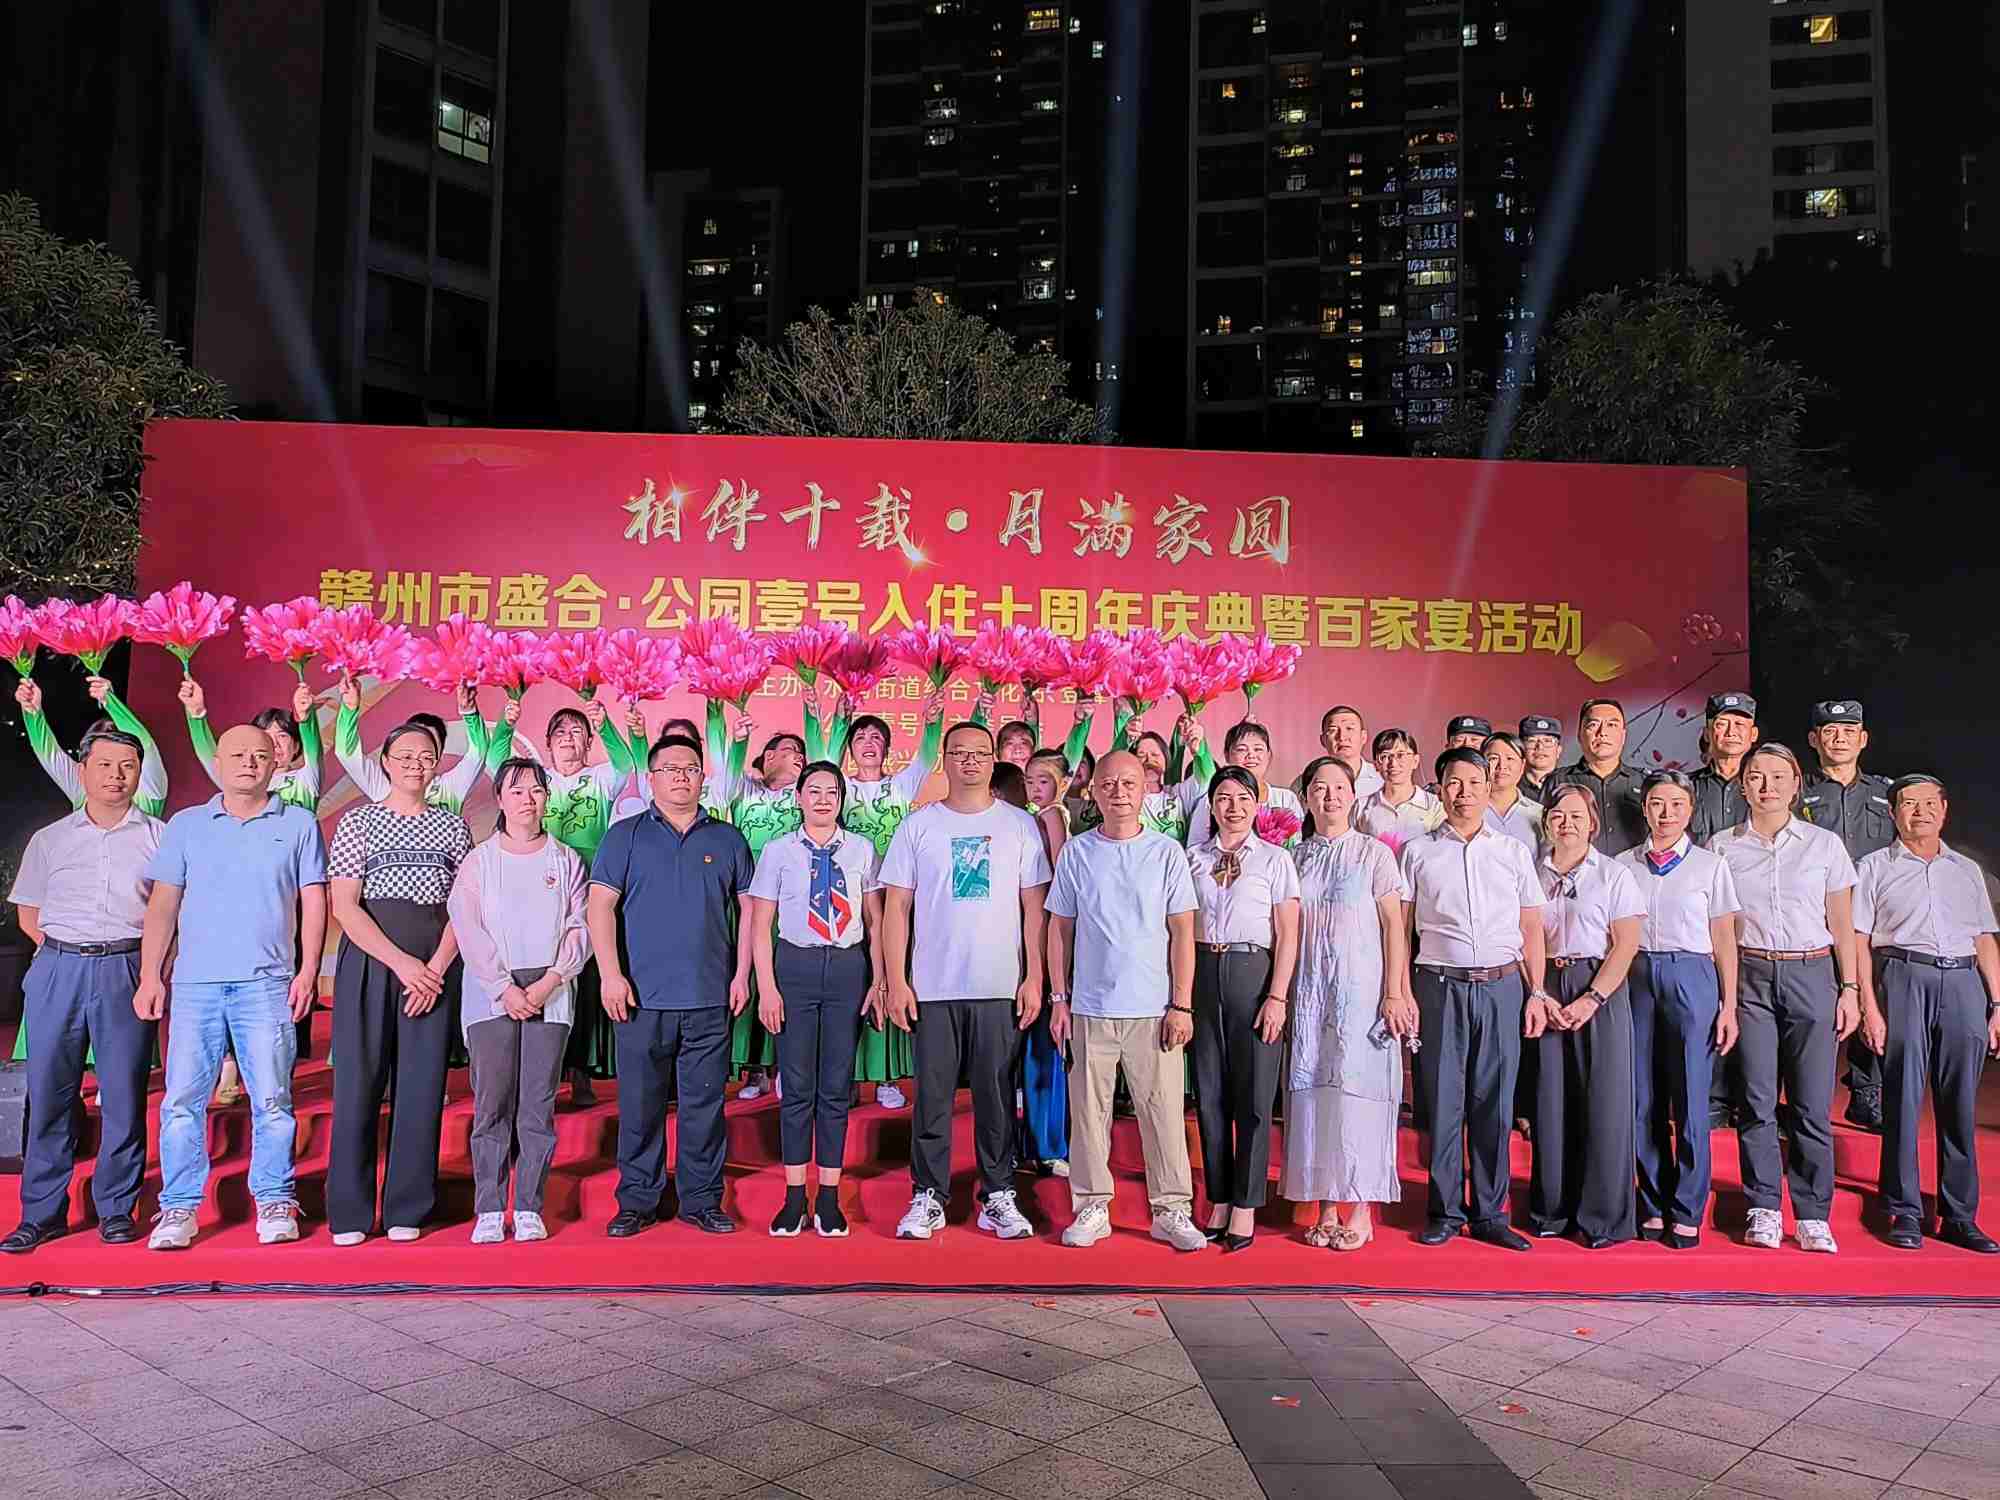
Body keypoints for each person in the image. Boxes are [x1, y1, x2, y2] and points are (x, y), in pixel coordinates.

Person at [137, 724, 328, 1250]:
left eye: (260, 754)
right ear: (217, 762)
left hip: (267, 985)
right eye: (237, 754)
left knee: (273, 1099)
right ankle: (178, 1208)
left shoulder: (298, 823)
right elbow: (164, 904)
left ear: (276, 763)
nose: (249, 762)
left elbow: (314, 900)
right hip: (195, 984)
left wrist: (309, 970)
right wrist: (151, 974)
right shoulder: (187, 825)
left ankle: (275, 1198)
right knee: (182, 1100)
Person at [879, 721, 1051, 1241]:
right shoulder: (918, 826)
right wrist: (896, 980)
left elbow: (1035, 908)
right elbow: (896, 908)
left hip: (999, 985)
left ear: (993, 759)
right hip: (933, 987)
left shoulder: (1019, 825)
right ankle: (928, 1195)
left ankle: (997, 1194)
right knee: (932, 1098)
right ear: (945, 759)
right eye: (959, 752)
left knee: (996, 1097)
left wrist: (1035, 976)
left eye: (980, 752)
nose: (970, 761)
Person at [1, 727, 162, 1253]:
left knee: (123, 1094)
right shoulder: (50, 839)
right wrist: (69, 954)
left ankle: (116, 1208)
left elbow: (170, 912)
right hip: (59, 967)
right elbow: (29, 913)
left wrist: (149, 969)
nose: (116, 776)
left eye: (127, 766)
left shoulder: (159, 837)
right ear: (83, 770)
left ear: (139, 774)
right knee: (50, 1093)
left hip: (126, 967)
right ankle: (41, 1213)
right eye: (105, 765)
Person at [589, 733, 754, 1237]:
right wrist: (611, 975)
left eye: (690, 768)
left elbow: (750, 910)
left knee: (704, 1106)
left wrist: (742, 973)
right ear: (651, 778)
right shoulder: (625, 836)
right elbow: (600, 907)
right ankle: (637, 1200)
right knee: (641, 1105)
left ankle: (701, 1200)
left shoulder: (727, 839)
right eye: (670, 768)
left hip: (709, 996)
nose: (681, 776)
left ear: (703, 777)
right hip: (640, 998)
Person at [1044, 750, 1208, 1252]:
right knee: (1088, 1114)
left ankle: (1171, 1209)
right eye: (1109, 783)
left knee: (1163, 1114)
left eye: (1129, 783)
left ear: (1145, 791)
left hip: (1154, 1009)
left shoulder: (1165, 853)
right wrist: (1059, 997)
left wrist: (1181, 1004)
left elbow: (1182, 933)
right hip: (1090, 1007)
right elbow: (1059, 929)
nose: (1118, 792)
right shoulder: (1077, 853)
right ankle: (1092, 1206)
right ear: (1093, 792)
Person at [325, 721, 474, 1245]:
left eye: (426, 755)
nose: (416, 763)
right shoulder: (359, 821)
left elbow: (464, 907)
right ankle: (349, 1211)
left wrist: (434, 967)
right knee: (358, 1083)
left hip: (434, 965)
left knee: (422, 1085)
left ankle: (407, 1207)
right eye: (404, 755)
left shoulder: (453, 827)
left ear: (438, 765)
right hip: (372, 961)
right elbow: (345, 905)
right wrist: (402, 964)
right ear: (385, 762)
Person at [1710, 743, 1860, 1253]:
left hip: (1812, 972)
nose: (1767, 785)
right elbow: (1721, 929)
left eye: (1779, 776)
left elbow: (1842, 923)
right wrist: (1727, 997)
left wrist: (1850, 988)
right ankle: (1764, 1206)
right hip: (1750, 976)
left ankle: (1814, 1213)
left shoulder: (1824, 845)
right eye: (1756, 776)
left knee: (1811, 1103)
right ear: (1743, 785)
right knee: (1755, 1100)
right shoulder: (1722, 847)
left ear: (1797, 784)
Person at [1400, 747, 1550, 1251]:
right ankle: (1444, 1211)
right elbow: (1400, 928)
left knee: (1494, 1103)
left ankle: (1490, 1213)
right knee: (1444, 1101)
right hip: (1439, 986)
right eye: (1454, 783)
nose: (1464, 793)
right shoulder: (1417, 852)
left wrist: (1536, 991)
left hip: (1503, 987)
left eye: (1474, 783)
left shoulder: (1513, 852)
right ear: (1439, 790)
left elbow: (1531, 926)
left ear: (1490, 788)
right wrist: (1401, 988)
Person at [1854, 775, 2000, 1254]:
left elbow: (1983, 937)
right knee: (1901, 1097)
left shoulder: (1966, 870)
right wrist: (1868, 1005)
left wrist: (1997, 1004)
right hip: (1903, 977)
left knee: (1959, 1103)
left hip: (1963, 982)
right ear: (1892, 813)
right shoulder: (1874, 867)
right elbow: (1858, 939)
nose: (1920, 812)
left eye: (1929, 803)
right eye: (1909, 804)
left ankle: (1959, 1215)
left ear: (1944, 810)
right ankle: (1903, 1209)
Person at [448, 758, 588, 1245]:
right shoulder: (479, 861)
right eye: (516, 790)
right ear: (500, 799)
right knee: (492, 1102)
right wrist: (502, 987)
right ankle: (489, 1207)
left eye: (536, 790)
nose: (528, 799)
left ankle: (528, 1204)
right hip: (493, 993)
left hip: (550, 989)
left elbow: (580, 926)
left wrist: (551, 981)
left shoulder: (566, 860)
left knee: (537, 1104)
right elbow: (467, 926)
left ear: (547, 797)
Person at [749, 762, 884, 1237]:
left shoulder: (862, 849)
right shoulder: (778, 851)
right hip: (795, 967)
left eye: (832, 792)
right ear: (799, 798)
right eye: (814, 791)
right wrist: (767, 987)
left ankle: (827, 1197)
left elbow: (875, 922)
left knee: (835, 1085)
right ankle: (793, 1197)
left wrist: (879, 980)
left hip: (847, 968)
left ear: (842, 800)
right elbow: (760, 926)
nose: (823, 800)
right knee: (797, 1085)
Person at [1283, 757, 1411, 1252]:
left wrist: (1394, 991)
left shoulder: (1373, 854)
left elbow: (1394, 926)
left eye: (1339, 787)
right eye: (1319, 787)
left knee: (1359, 1092)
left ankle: (1360, 1208)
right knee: (1318, 1092)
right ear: (1306, 798)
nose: (1330, 796)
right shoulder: (1295, 857)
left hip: (1363, 992)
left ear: (1354, 795)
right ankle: (1325, 1206)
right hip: (1311, 991)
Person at [182, 675, 327, 1095]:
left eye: (284, 738)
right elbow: (211, 756)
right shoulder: (239, 781)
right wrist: (197, 716)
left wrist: (307, 719)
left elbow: (316, 750)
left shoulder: (303, 782)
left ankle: (276, 1069)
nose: (274, 745)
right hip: (234, 905)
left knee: (283, 987)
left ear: (295, 747)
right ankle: (229, 1066)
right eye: (266, 737)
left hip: (285, 903)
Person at [487, 700, 637, 1104]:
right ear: (548, 744)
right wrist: (506, 724)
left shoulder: (600, 779)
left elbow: (627, 763)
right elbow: (497, 765)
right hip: (538, 893)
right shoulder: (539, 782)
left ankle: (581, 1072)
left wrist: (606, 726)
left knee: (583, 982)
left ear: (588, 744)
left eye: (577, 733)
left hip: (591, 895)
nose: (568, 739)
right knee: (544, 977)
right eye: (560, 733)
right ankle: (541, 1076)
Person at [1616, 770, 1741, 1248]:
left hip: (1692, 975)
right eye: (1656, 804)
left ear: (1690, 810)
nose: (1666, 814)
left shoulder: (1711, 866)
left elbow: (1724, 938)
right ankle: (1651, 1202)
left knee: (1690, 1095)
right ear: (1644, 809)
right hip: (1636, 975)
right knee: (1641, 1096)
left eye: (1676, 805)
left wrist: (1729, 1004)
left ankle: (1687, 1207)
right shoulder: (1623, 865)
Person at [1185, 765, 1302, 1251]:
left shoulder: (1275, 860)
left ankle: (1247, 1204)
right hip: (1201, 972)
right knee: (1209, 1094)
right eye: (1223, 798)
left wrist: (1277, 996)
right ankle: (1219, 1197)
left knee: (1253, 1096)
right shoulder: (1192, 858)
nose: (1233, 807)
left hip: (1253, 974)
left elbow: (1289, 934)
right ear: (1211, 806)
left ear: (1257, 805)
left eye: (1243, 798)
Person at [1529, 782, 1644, 1248]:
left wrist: (1592, 998)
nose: (1567, 824)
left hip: (1599, 985)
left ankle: (1604, 1218)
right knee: (1550, 1101)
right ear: (1546, 821)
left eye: (1577, 816)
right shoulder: (1530, 872)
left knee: (1605, 1102)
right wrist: (1538, 992)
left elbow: (1627, 944)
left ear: (1593, 823)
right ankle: (1552, 1210)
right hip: (1545, 986)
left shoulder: (1614, 874)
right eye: (1558, 815)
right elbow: (1523, 934)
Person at [840, 699, 944, 1111]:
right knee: (854, 984)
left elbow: (928, 755)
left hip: (895, 900)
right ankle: (846, 1075)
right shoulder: (840, 787)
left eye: (876, 738)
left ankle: (887, 1077)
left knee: (893, 980)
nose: (868, 743)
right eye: (860, 737)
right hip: (849, 901)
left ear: (887, 748)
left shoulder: (900, 786)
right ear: (849, 748)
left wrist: (932, 722)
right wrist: (836, 717)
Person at [1802, 699, 1898, 1130]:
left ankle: (1866, 1092)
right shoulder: (1798, 791)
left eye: (1848, 731)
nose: (1838, 739)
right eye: (1829, 731)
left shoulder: (1885, 794)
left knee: (1875, 999)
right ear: (1814, 739)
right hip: (1817, 916)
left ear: (1863, 739)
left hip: (1873, 915)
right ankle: (1804, 1101)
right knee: (1815, 1010)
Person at [725, 730, 808, 1100]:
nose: (799, 756)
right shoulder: (745, 790)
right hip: (749, 901)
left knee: (788, 982)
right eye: (790, 750)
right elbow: (728, 767)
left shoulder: (803, 798)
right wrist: (737, 738)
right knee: (751, 982)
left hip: (793, 902)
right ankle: (755, 1070)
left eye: (802, 752)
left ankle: (788, 1066)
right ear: (768, 757)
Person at [334, 678, 500, 813]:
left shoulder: (450, 788)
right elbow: (347, 753)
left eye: (426, 751)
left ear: (438, 755)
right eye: (409, 753)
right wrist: (349, 708)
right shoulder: (384, 787)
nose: (416, 764)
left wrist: (469, 712)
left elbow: (479, 751)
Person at [1020, 747, 1072, 1175]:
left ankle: (1048, 1144)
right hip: (1031, 931)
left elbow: (1060, 874)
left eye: (1044, 781)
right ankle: (1039, 1143)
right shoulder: (1032, 816)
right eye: (1030, 781)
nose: (1036, 788)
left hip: (1049, 930)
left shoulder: (1053, 815)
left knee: (1048, 1044)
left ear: (1064, 783)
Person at [16, 674, 169, 819]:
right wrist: (33, 713)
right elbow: (50, 755)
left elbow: (145, 745)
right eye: (104, 762)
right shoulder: (84, 785)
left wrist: (109, 701)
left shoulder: (148, 788)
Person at [1355, 728, 1444, 856]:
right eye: (1385, 756)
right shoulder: (1361, 807)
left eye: (1401, 755)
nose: (1393, 763)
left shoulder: (1435, 806)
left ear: (1415, 761)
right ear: (1376, 765)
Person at [1689, 693, 1758, 845]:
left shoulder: (1767, 788)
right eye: (1721, 724)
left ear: (1753, 734)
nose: (1730, 732)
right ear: (1707, 734)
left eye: (1739, 724)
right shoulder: (1686, 787)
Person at [1295, 705, 1384, 804]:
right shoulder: (1304, 783)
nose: (1342, 737)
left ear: (1363, 737)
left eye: (1349, 728)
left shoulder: (1383, 778)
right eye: (1333, 730)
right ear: (1323, 740)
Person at [1480, 732, 1542, 856]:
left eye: (1510, 758)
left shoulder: (1538, 814)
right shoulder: (1467, 811)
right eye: (1493, 758)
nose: (1502, 766)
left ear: (1522, 765)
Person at [1518, 715, 1563, 804]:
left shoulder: (1571, 784)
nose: (1540, 747)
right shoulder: (1510, 786)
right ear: (1521, 749)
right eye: (1532, 741)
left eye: (1547, 741)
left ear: (1558, 750)